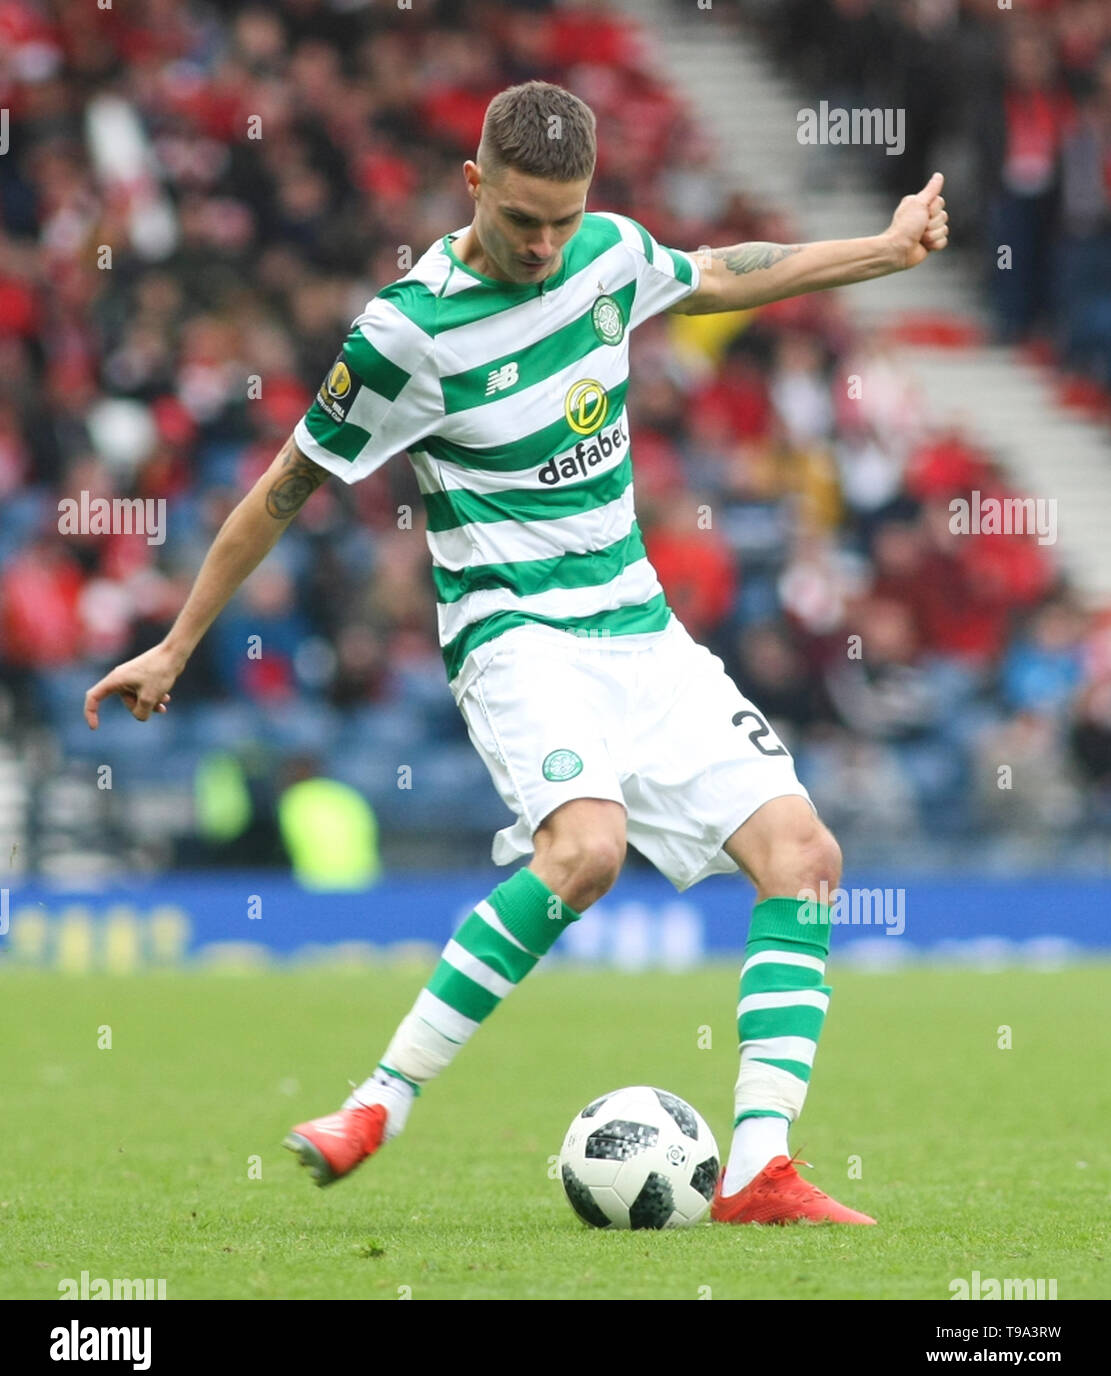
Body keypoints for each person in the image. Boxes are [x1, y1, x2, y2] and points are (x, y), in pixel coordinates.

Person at [84, 80, 949, 1225]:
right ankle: (377, 1100)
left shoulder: (606, 254)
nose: (545, 245)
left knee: (805, 854)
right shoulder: (405, 335)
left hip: (638, 626)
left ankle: (756, 1169)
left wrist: (881, 251)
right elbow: (283, 487)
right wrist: (179, 640)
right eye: (522, 218)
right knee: (584, 851)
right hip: (516, 636)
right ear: (474, 185)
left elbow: (724, 272)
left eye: (564, 217)